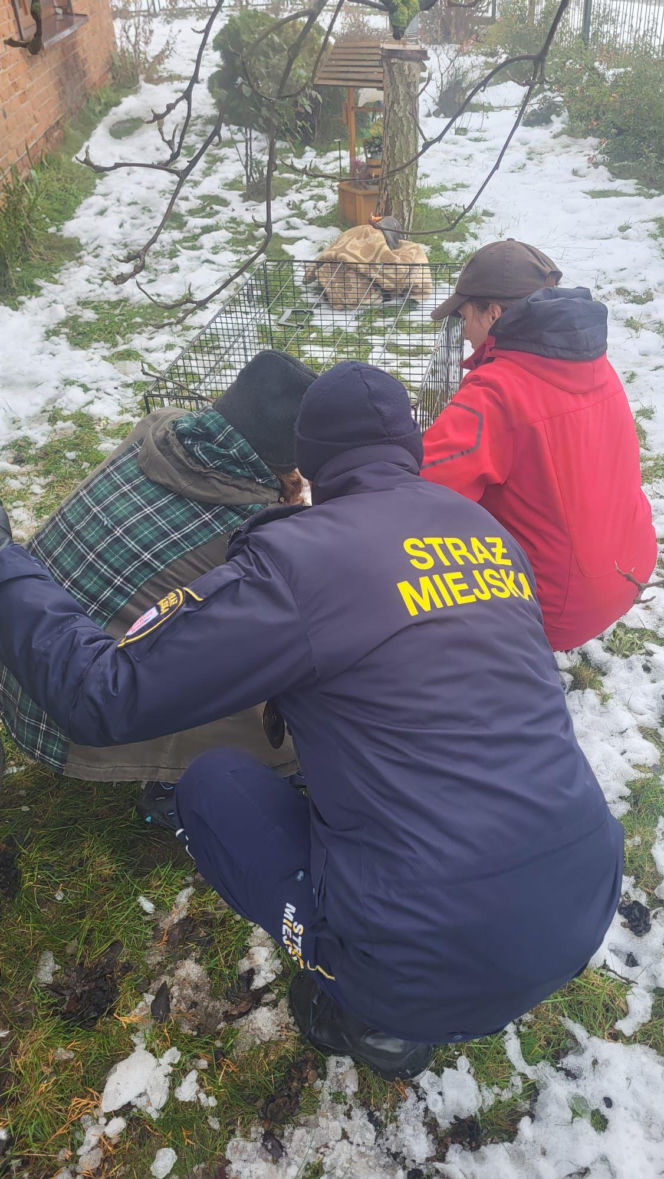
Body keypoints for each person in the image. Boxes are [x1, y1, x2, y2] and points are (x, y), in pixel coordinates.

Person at [0, 360, 623, 1081]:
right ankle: (429, 970)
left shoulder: (298, 560)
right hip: (586, 897)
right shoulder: (485, 530)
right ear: (411, 448)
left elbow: (104, 694)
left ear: (307, 465)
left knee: (213, 785)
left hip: (417, 956)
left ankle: (370, 1011)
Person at [0, 350, 316, 821]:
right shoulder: (250, 534)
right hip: (77, 713)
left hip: (21, 662)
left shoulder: (159, 431)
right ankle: (175, 786)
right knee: (268, 689)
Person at [422, 238, 656, 650]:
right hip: (629, 570)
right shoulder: (593, 364)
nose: (464, 332)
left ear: (492, 312)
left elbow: (420, 491)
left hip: (554, 611)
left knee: (415, 550)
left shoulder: (495, 392)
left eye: (465, 318)